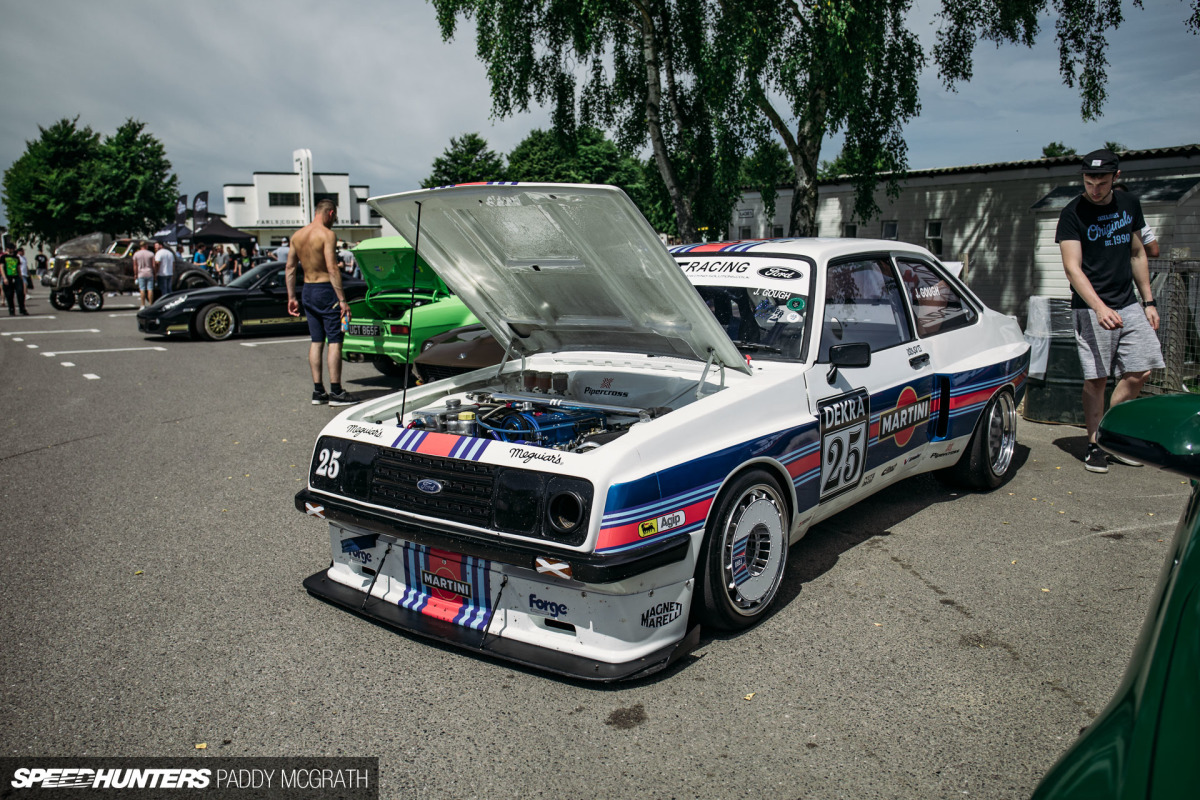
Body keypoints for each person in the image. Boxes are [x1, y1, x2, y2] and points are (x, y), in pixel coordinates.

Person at [1057, 149, 1164, 473]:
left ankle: (1109, 434)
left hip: (1129, 302)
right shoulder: (1072, 213)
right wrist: (1099, 307)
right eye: (1089, 182)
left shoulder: (1129, 205)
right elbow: (1072, 268)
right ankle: (1095, 443)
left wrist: (1148, 301)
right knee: (1097, 379)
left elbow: (1137, 253)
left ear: (1115, 178)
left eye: (1101, 182)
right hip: (1092, 306)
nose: (1095, 188)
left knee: (1141, 370)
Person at [286, 199, 358, 406]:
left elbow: (290, 268)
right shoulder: (327, 235)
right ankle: (336, 392)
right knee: (335, 340)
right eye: (335, 216)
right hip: (325, 289)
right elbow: (332, 267)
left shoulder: (298, 236)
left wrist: (292, 297)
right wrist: (342, 300)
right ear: (330, 213)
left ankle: (318, 391)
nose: (335, 220)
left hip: (307, 290)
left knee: (316, 341)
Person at [1114, 183, 1161, 258]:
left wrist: (1135, 254)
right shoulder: (1136, 219)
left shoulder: (1137, 220)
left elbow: (1154, 251)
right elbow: (1154, 251)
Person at [3, 244, 29, 315]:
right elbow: (1, 267)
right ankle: (11, 310)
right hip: (8, 277)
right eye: (10, 249)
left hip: (16, 277)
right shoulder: (4, 257)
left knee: (20, 293)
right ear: (7, 249)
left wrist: (20, 277)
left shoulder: (16, 257)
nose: (12, 250)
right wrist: (4, 277)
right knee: (9, 295)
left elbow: (18, 268)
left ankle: (22, 309)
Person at [132, 241, 156, 308]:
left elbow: (135, 266)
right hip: (149, 272)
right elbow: (153, 265)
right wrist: (155, 274)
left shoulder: (136, 254)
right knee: (150, 289)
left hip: (141, 273)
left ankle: (142, 304)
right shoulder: (151, 254)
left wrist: (135, 274)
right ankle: (151, 304)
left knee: (142, 289)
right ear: (146, 245)